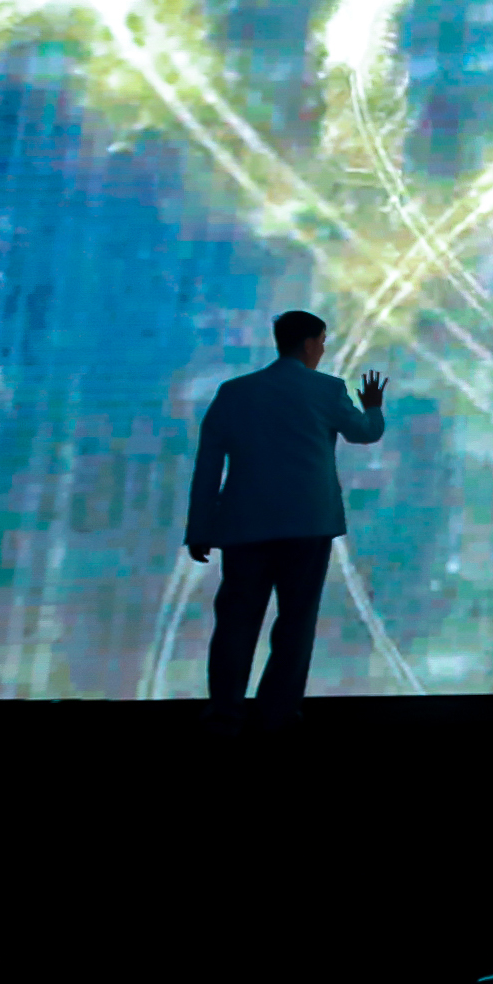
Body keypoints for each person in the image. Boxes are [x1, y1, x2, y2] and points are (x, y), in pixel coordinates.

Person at [187, 310, 388, 737]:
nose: (323, 349)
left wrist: (200, 527)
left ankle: (224, 714)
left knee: (236, 621)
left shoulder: (234, 392)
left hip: (244, 525)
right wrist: (373, 407)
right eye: (322, 341)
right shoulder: (326, 389)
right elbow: (363, 432)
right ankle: (277, 715)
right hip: (307, 524)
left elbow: (208, 465)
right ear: (310, 344)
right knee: (296, 622)